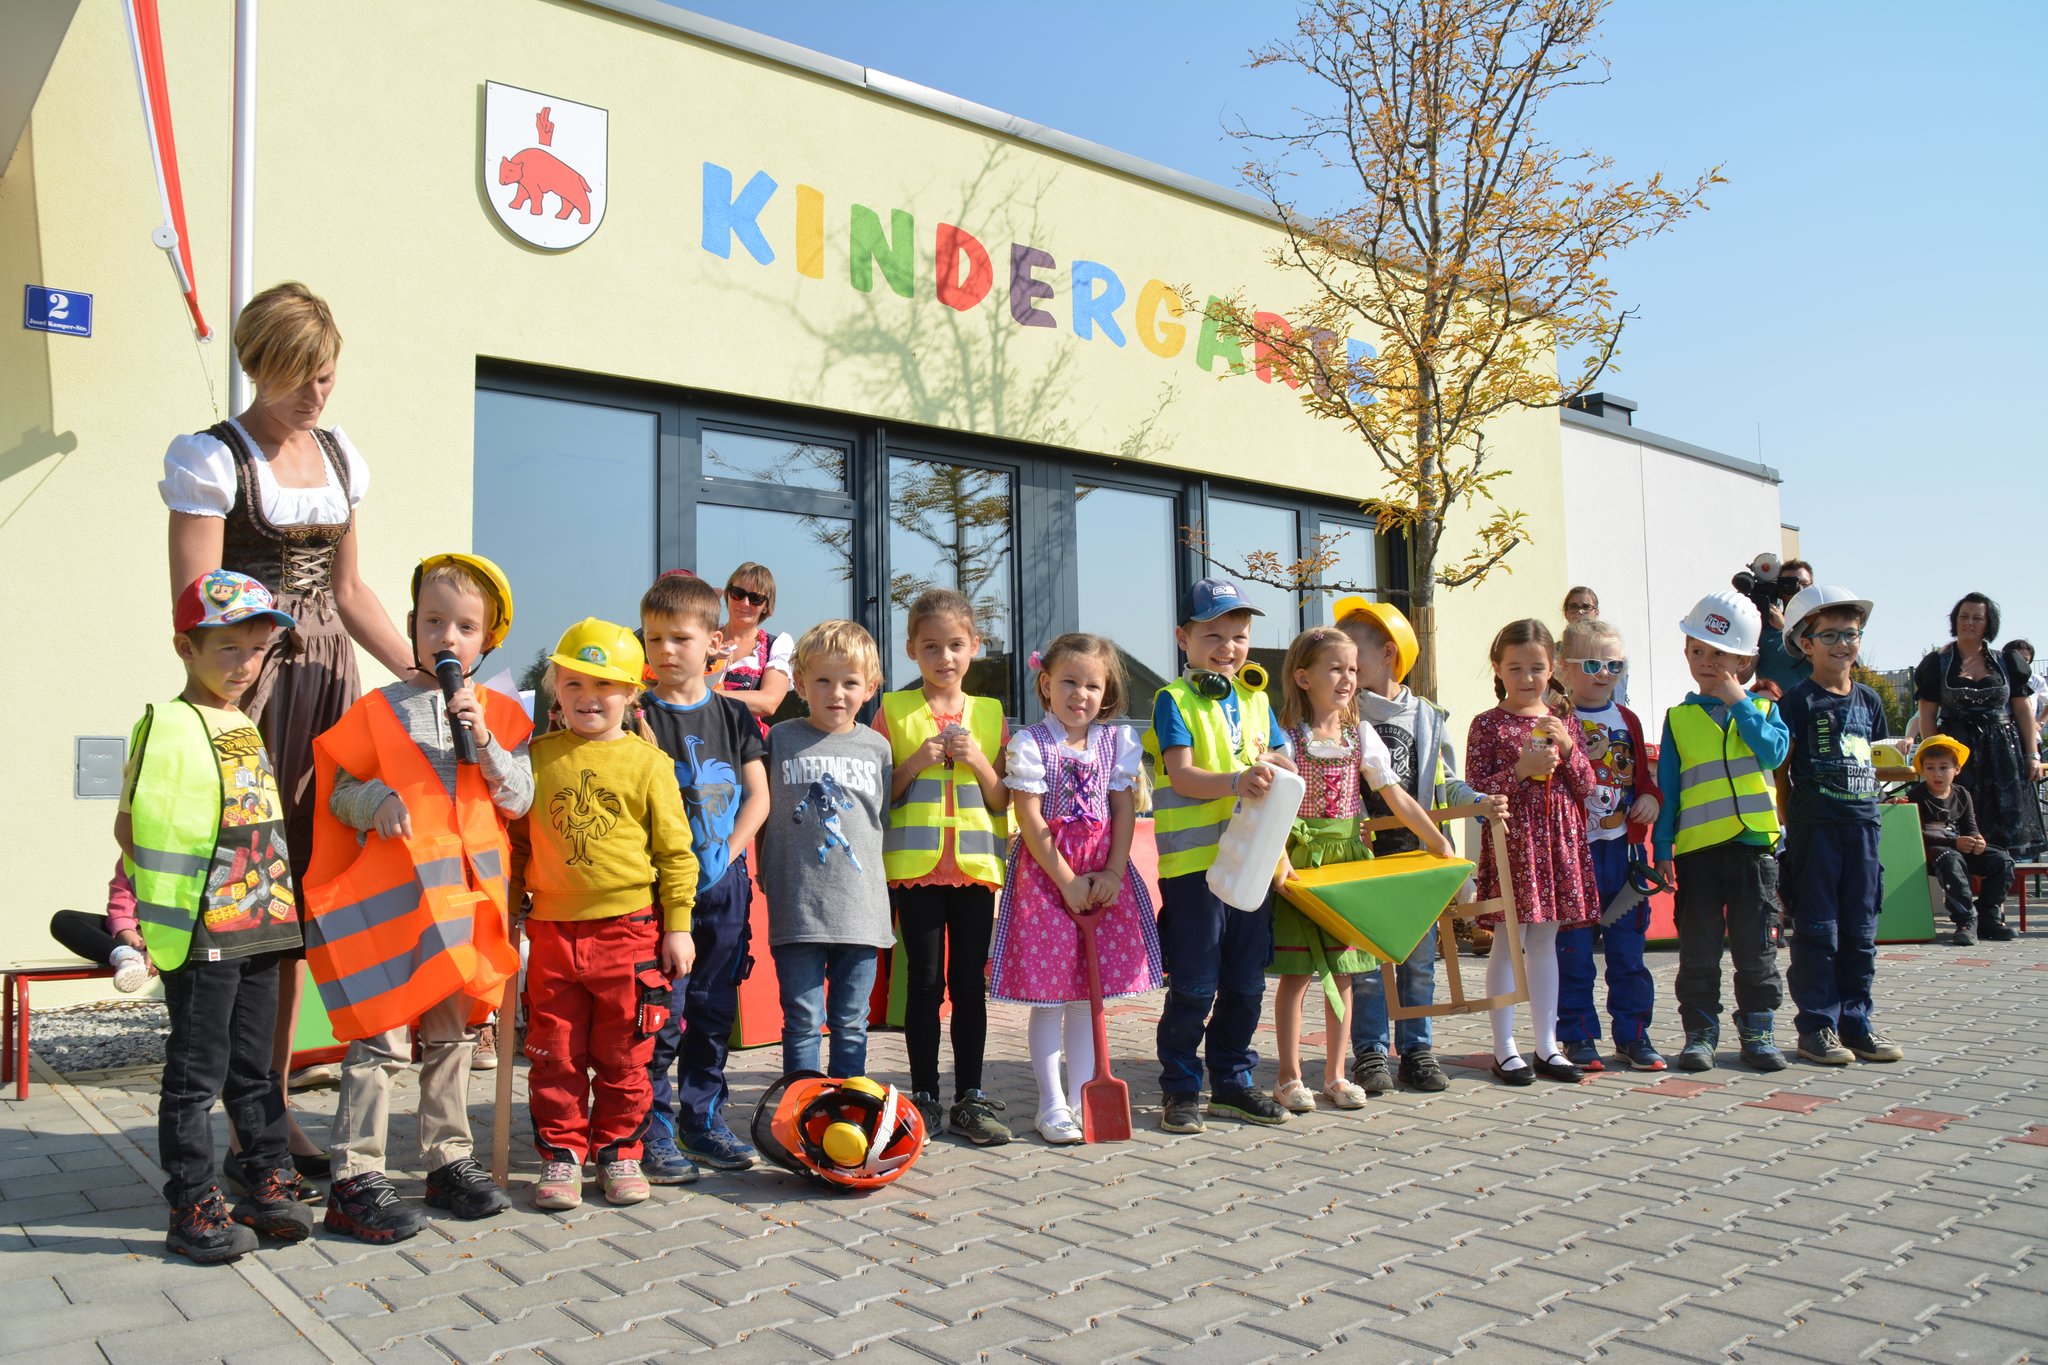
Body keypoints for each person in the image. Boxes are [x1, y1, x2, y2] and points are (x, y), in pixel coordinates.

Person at [160, 282, 412, 1173]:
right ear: (257, 367)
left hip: (328, 686)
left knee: (299, 900)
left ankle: (267, 1110)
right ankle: (229, 1110)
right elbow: (196, 608)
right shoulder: (212, 458)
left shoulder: (340, 457)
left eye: (327, 376)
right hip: (250, 691)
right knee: (239, 899)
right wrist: (225, 706)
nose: (316, 395)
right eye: (299, 377)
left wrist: (415, 667)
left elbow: (349, 592)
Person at [305, 554, 530, 1241]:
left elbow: (518, 797)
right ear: (412, 626)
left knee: (453, 1037)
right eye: (434, 621)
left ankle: (448, 1159)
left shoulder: (499, 715)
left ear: (485, 642)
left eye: (464, 626)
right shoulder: (378, 711)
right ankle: (355, 1175)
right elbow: (339, 791)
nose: (447, 637)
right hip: (398, 913)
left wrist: (484, 738)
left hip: (462, 914)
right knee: (379, 1039)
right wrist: (374, 800)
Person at [122, 570, 315, 1263]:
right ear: (186, 647)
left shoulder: (243, 722)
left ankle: (263, 1174)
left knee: (255, 1066)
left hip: (261, 921)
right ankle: (192, 1201)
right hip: (204, 929)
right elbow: (133, 827)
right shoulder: (168, 722)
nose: (245, 664)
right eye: (228, 648)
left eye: (257, 649)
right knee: (196, 1071)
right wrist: (154, 918)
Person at [512, 619, 698, 1211]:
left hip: (631, 932)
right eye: (572, 683)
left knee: (626, 1053)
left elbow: (675, 852)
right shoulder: (535, 760)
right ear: (555, 689)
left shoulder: (651, 764)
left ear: (631, 694)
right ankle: (562, 1156)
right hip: (552, 933)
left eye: (605, 684)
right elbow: (516, 845)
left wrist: (678, 924)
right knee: (554, 1051)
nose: (587, 696)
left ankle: (619, 1152)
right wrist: (510, 908)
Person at [1270, 627, 1455, 1112]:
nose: (1348, 678)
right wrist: (1282, 862)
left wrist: (1436, 841)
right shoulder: (1286, 739)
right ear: (1303, 677)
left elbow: (1397, 797)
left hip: (1349, 862)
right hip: (1302, 864)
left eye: (1353, 668)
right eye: (1336, 668)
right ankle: (1289, 1076)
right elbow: (1273, 810)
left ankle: (1334, 1073)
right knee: (1298, 973)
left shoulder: (1361, 737)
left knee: (1347, 972)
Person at [990, 634, 1160, 1145]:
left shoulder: (1118, 742)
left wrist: (1111, 872)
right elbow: (1028, 815)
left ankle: (1085, 1091)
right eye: (1068, 682)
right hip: (1048, 878)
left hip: (1104, 877)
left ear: (1105, 691)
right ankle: (1050, 1103)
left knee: (1089, 996)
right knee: (1049, 996)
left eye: (1092, 685)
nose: (1079, 694)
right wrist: (1065, 879)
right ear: (1046, 684)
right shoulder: (1031, 744)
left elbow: (1124, 810)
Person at [1143, 577, 1298, 1133]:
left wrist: (1278, 772)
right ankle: (1181, 1088)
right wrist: (1239, 779)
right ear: (1183, 637)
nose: (1228, 647)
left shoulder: (1258, 700)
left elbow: (1286, 765)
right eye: (1213, 634)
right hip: (1195, 872)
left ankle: (1232, 1082)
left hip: (1251, 867)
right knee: (1194, 984)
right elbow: (1182, 775)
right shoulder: (1172, 700)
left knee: (1247, 982)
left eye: (1239, 634)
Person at [1339, 599, 1504, 1095]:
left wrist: (1475, 799)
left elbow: (1446, 781)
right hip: (1363, 859)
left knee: (1418, 962)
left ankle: (1417, 1049)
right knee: (1366, 964)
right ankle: (1369, 1053)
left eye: (1354, 656)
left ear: (1388, 653)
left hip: (1418, 858)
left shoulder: (1428, 717)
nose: (1345, 669)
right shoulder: (1343, 711)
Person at [637, 572, 770, 1181]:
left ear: (715, 642)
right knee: (661, 1012)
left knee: (715, 1009)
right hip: (662, 893)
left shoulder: (733, 716)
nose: (666, 650)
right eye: (654, 637)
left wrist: (729, 852)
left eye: (680, 638)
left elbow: (757, 798)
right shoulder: (637, 715)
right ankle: (653, 1128)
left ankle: (702, 1119)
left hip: (724, 886)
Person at [876, 589, 1012, 1146]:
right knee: (925, 984)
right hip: (916, 870)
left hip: (976, 868)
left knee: (969, 986)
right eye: (931, 647)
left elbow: (1004, 800)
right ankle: (925, 1093)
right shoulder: (893, 710)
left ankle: (971, 1095)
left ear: (974, 648)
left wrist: (978, 757)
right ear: (912, 650)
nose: (945, 658)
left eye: (956, 646)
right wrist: (914, 762)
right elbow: (879, 793)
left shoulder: (991, 713)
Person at [1652, 591, 1791, 1073]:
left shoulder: (1767, 710)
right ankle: (1700, 1032)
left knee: (1757, 949)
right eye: (1697, 651)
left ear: (1746, 659)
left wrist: (1741, 704)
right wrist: (1662, 846)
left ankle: (1758, 1028)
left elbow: (1772, 755)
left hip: (1754, 850)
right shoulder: (1678, 717)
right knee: (1698, 951)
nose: (1706, 662)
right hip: (1697, 853)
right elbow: (1668, 789)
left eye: (1719, 653)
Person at [1466, 620, 1600, 1085]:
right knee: (1507, 941)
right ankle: (1504, 1048)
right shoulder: (1486, 724)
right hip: (1513, 842)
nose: (1527, 678)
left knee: (1545, 942)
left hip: (1557, 841)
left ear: (1553, 668)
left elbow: (1587, 786)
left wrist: (1568, 747)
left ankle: (1546, 1044)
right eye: (1516, 668)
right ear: (1498, 669)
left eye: (1537, 668)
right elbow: (1476, 793)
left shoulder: (1565, 720)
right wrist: (1520, 770)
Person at [760, 620, 895, 1083]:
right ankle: (800, 1114)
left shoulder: (878, 748)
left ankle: (845, 1111)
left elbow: (882, 820)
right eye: (822, 680)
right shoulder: (778, 740)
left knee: (851, 1024)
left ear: (870, 687)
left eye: (850, 682)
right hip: (797, 906)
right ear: (799, 683)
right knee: (801, 1022)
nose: (836, 693)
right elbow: (760, 810)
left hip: (861, 909)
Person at [1777, 585, 1900, 1067]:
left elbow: (1879, 759)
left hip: (1863, 829)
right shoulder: (1797, 701)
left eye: (1851, 634)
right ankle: (1817, 1026)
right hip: (1815, 831)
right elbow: (1780, 772)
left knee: (1860, 931)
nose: (1842, 644)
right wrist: (1789, 826)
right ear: (1805, 643)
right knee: (1817, 931)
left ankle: (1857, 1022)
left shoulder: (1869, 701)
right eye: (1829, 635)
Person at [1553, 618, 1666, 1071]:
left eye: (1615, 665)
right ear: (1563, 668)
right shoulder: (1557, 721)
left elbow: (1645, 781)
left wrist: (1650, 799)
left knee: (1628, 951)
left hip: (1624, 853)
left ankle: (1634, 1035)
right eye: (1594, 663)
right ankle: (1577, 1035)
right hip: (1575, 855)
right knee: (1574, 952)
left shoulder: (1628, 720)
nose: (1605, 674)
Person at [1914, 594, 2043, 859]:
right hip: (1958, 750)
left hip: (2004, 752)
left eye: (1977, 618)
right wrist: (1936, 758)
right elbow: (1927, 714)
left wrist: (2032, 755)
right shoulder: (1936, 663)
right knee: (1963, 821)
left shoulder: (2007, 661)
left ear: (1988, 624)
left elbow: (2022, 710)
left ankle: (1999, 890)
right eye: (1963, 616)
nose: (1969, 623)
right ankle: (1966, 891)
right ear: (1954, 620)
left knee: (2005, 824)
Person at [1907, 736, 2016, 946]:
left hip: (1959, 847)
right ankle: (1965, 920)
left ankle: (1988, 915)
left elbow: (1971, 827)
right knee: (1951, 861)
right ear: (1921, 770)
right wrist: (1953, 844)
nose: (1937, 774)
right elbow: (1915, 835)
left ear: (1956, 769)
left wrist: (1978, 840)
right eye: (1930, 768)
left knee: (2002, 860)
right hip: (1933, 853)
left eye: (1943, 767)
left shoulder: (1962, 794)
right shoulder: (1915, 795)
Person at [712, 562, 795, 734]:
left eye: (755, 598)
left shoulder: (776, 646)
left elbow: (769, 702)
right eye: (738, 594)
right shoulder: (705, 636)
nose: (744, 603)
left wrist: (705, 696)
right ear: (727, 594)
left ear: (766, 605)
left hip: (746, 742)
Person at [49, 863, 153, 994]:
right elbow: (122, 898)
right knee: (63, 920)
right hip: (140, 935)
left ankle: (133, 957)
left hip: (176, 938)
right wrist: (127, 934)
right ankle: (130, 956)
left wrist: (157, 942)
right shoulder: (132, 853)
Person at [1755, 558, 1815, 695]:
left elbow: (1829, 664)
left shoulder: (1823, 623)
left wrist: (1785, 629)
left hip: (1813, 707)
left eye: (1804, 584)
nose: (1798, 589)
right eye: (1790, 584)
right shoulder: (1765, 626)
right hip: (1776, 709)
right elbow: (1742, 676)